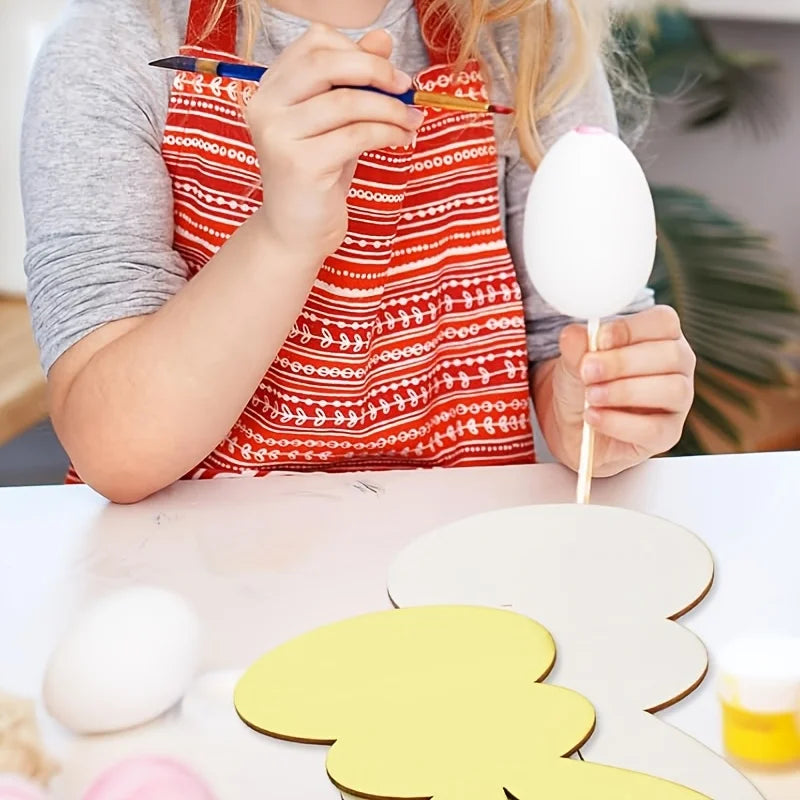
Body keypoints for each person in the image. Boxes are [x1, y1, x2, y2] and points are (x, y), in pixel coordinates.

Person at [21, 0, 696, 504]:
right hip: (200, 582)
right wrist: (284, 235)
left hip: (460, 564)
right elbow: (116, 451)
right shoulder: (113, 48)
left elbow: (565, 349)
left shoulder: (523, 32)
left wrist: (596, 407)